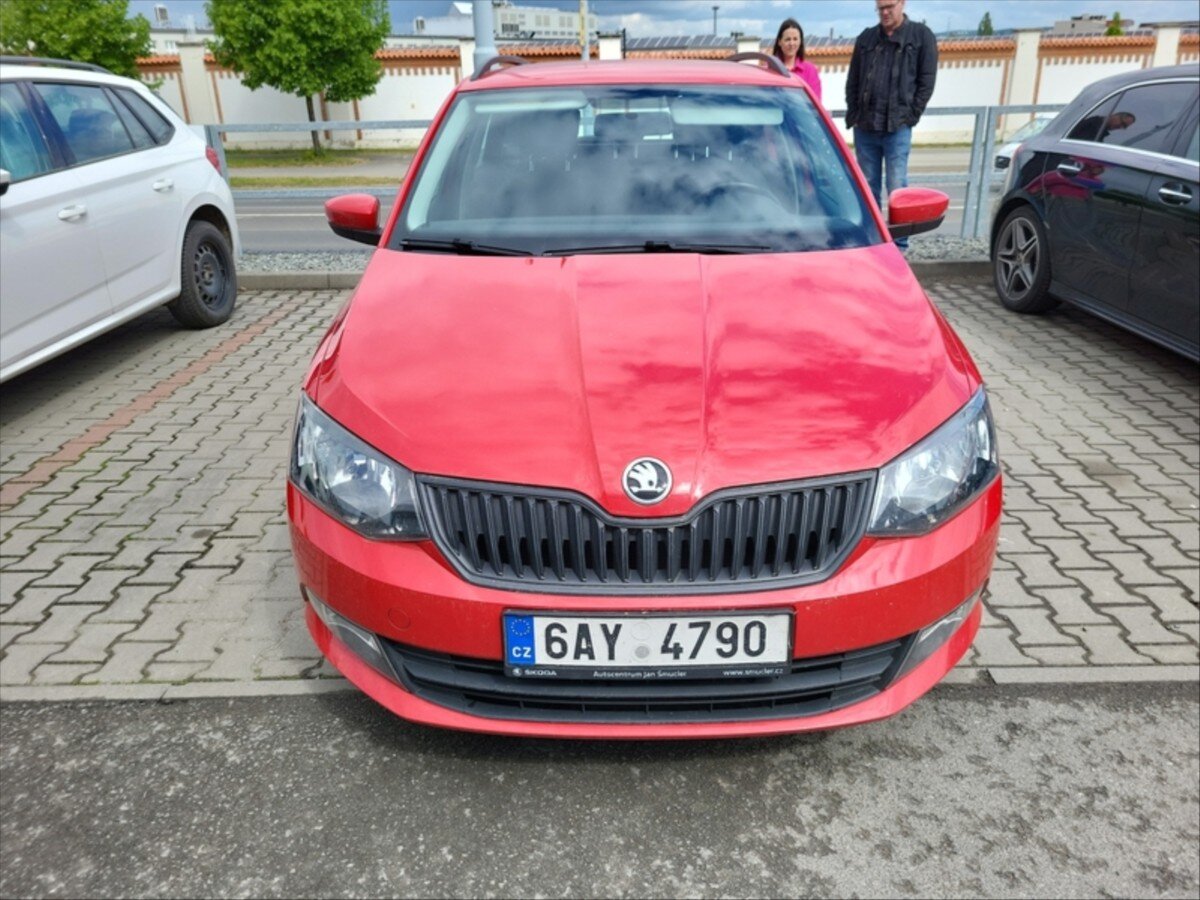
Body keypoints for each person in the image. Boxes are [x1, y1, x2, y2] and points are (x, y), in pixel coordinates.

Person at [845, 0, 937, 249]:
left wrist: (912, 115)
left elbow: (926, 80)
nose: (885, 12)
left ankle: (899, 246)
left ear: (902, 3)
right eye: (880, 7)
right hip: (866, 126)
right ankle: (872, 241)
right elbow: (853, 79)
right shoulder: (866, 38)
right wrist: (854, 112)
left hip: (897, 127)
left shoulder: (921, 36)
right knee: (867, 189)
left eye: (889, 6)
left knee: (897, 188)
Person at [772, 18, 822, 103]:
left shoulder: (810, 70)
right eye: (788, 39)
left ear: (800, 41)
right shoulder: (771, 69)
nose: (792, 43)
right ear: (779, 42)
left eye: (795, 39)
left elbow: (815, 103)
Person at [1068, 110, 1135, 142]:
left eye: (1124, 127)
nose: (1120, 127)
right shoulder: (1091, 125)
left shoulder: (1101, 133)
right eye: (1122, 123)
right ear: (1115, 115)